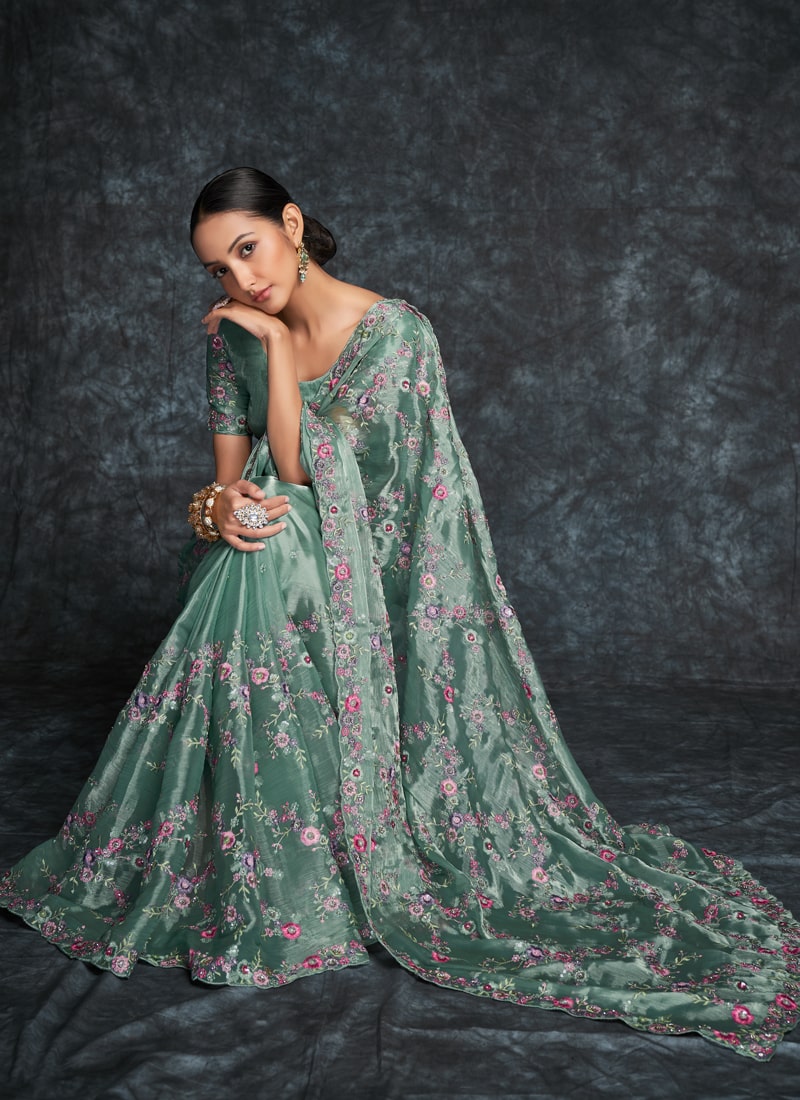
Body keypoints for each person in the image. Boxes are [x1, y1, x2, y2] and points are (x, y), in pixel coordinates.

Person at [2, 168, 798, 1061]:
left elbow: (324, 482)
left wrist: (276, 364)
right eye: (218, 270)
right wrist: (219, 508)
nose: (240, 280)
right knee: (256, 544)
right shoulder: (232, 337)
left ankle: (289, 866)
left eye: (248, 250)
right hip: (270, 562)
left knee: (276, 540)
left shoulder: (394, 335)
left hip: (374, 586)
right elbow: (230, 480)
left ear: (291, 225)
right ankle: (253, 856)